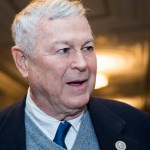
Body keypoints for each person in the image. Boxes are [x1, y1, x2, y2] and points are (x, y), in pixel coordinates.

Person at [0, 0, 150, 150]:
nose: (82, 63)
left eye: (88, 48)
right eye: (64, 50)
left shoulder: (140, 126)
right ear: (23, 61)